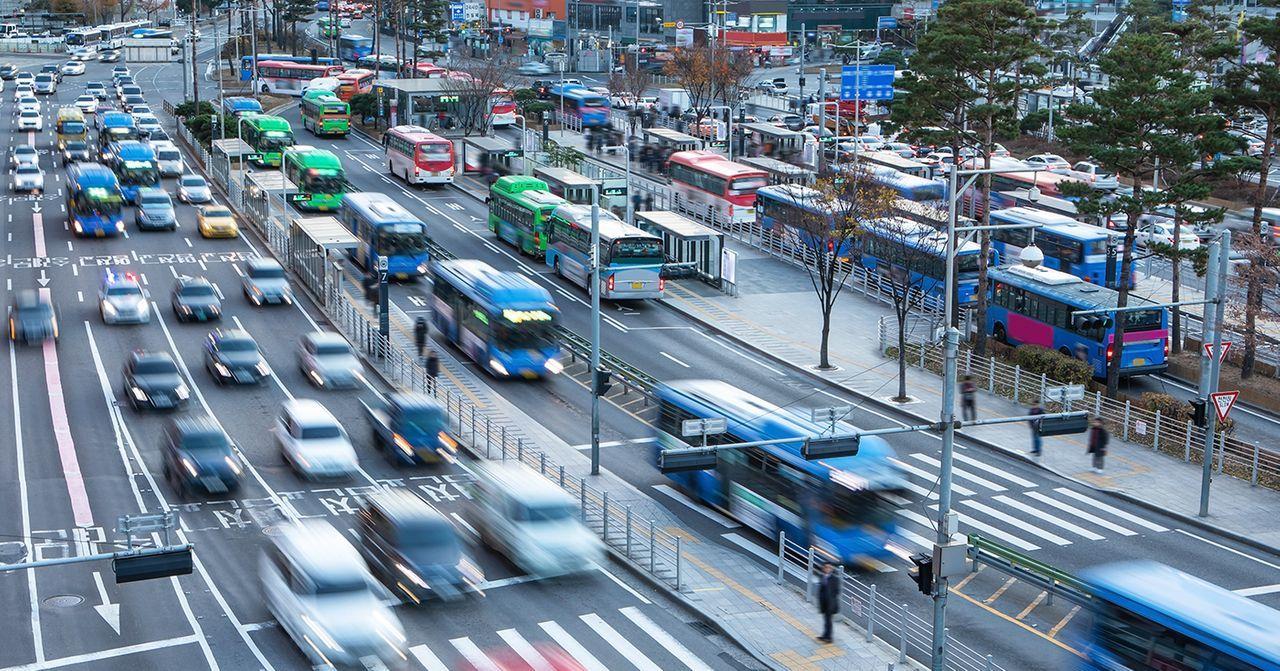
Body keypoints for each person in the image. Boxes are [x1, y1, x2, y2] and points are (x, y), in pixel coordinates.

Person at [816, 562, 840, 643]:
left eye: (829, 567)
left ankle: (829, 637)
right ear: (823, 568)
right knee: (826, 620)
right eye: (826, 567)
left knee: (828, 621)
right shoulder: (822, 576)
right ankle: (825, 635)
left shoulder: (834, 579)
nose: (827, 569)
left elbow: (836, 591)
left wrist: (831, 601)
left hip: (831, 604)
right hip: (824, 603)